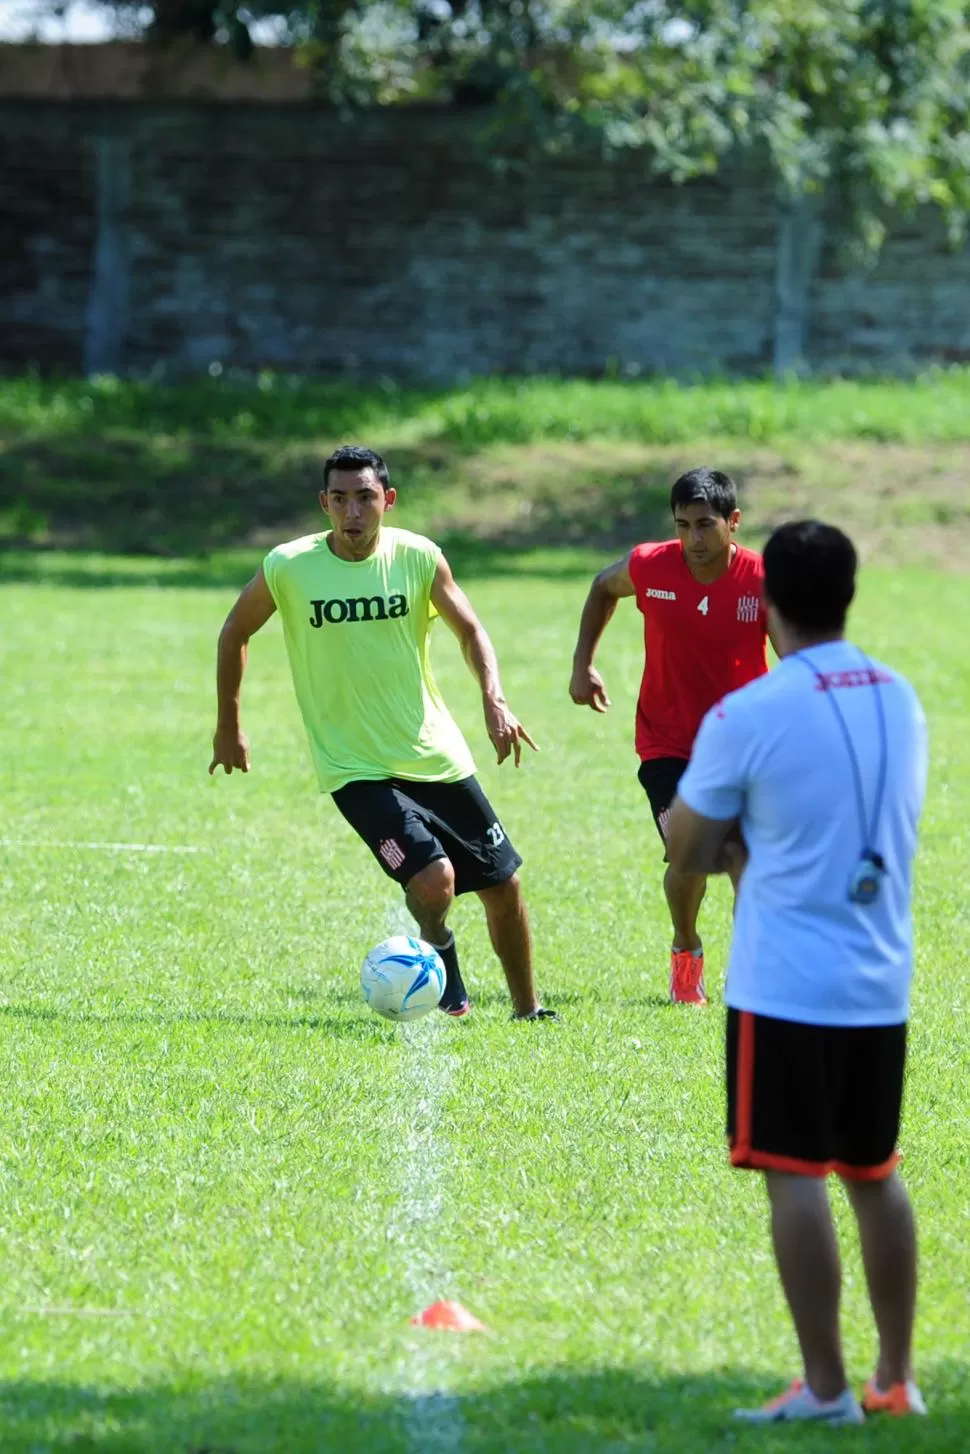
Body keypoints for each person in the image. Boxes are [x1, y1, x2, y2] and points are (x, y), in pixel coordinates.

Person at [667, 520, 928, 1425]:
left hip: (784, 983)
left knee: (795, 1176)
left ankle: (825, 1389)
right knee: (875, 1173)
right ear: (849, 593)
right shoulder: (901, 696)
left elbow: (689, 849)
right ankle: (895, 1378)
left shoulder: (751, 712)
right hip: (880, 979)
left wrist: (735, 830)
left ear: (766, 601)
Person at [209, 444, 555, 1022]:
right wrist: (228, 725)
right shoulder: (289, 567)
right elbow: (234, 632)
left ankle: (529, 1009)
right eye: (340, 499)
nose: (352, 512)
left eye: (365, 498)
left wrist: (494, 700)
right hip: (355, 767)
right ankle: (439, 945)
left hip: (435, 753)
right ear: (324, 504)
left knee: (505, 888)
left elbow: (470, 630)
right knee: (435, 880)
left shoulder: (419, 557)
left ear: (387, 501)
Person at [569, 467, 771, 1005]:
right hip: (668, 743)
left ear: (733, 522)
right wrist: (582, 665)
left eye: (705, 525)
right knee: (692, 858)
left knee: (746, 859)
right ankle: (686, 948)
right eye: (683, 525)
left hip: (744, 746)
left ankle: (751, 973)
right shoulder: (649, 565)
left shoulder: (761, 580)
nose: (693, 540)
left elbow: (796, 657)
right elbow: (601, 587)